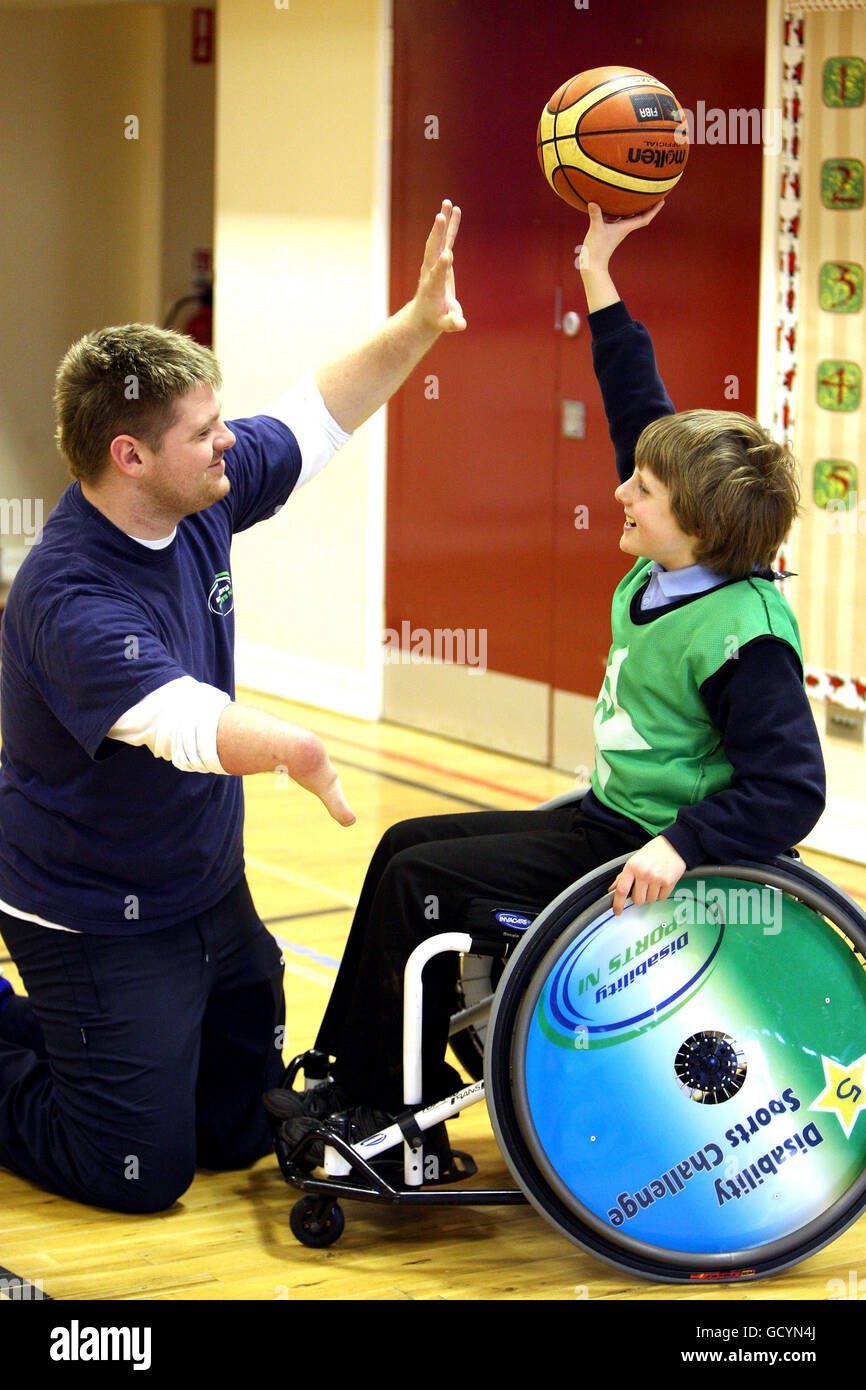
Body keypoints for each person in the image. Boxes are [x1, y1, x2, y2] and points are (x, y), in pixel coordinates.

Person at [272, 200, 826, 1166]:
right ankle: (353, 1074)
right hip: (602, 821)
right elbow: (636, 402)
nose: (621, 491)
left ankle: (388, 1116)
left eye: (640, 494)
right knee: (408, 843)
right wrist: (596, 273)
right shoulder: (677, 556)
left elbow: (793, 790)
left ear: (695, 525)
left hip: (643, 859)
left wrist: (685, 845)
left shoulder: (745, 635)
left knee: (422, 883)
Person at [0, 201, 465, 1214]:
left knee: (235, 1133)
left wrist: (418, 321)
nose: (228, 442)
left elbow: (316, 417)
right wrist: (291, 741)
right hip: (93, 917)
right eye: (206, 431)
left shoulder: (194, 491)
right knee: (137, 1173)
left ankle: (92, 1049)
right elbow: (178, 720)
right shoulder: (70, 594)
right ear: (130, 456)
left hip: (206, 893)